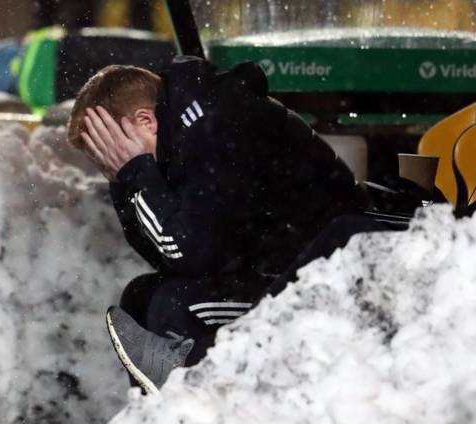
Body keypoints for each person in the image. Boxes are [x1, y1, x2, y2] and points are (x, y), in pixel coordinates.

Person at [67, 56, 371, 393]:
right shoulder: (177, 135)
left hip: (326, 276)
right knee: (140, 297)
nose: (109, 162)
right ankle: (161, 408)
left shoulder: (216, 123)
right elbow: (165, 256)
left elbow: (189, 254)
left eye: (110, 149)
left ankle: (206, 406)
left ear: (145, 120)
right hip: (270, 267)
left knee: (176, 305)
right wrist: (127, 180)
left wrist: (135, 170)